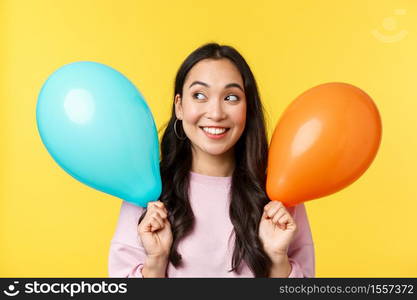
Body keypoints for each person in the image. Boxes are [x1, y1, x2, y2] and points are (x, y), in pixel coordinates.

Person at [108, 43, 315, 278]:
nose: (216, 113)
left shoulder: (279, 199)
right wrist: (156, 261)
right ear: (179, 106)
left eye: (231, 97)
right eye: (199, 95)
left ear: (247, 108)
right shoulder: (147, 192)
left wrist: (277, 260)